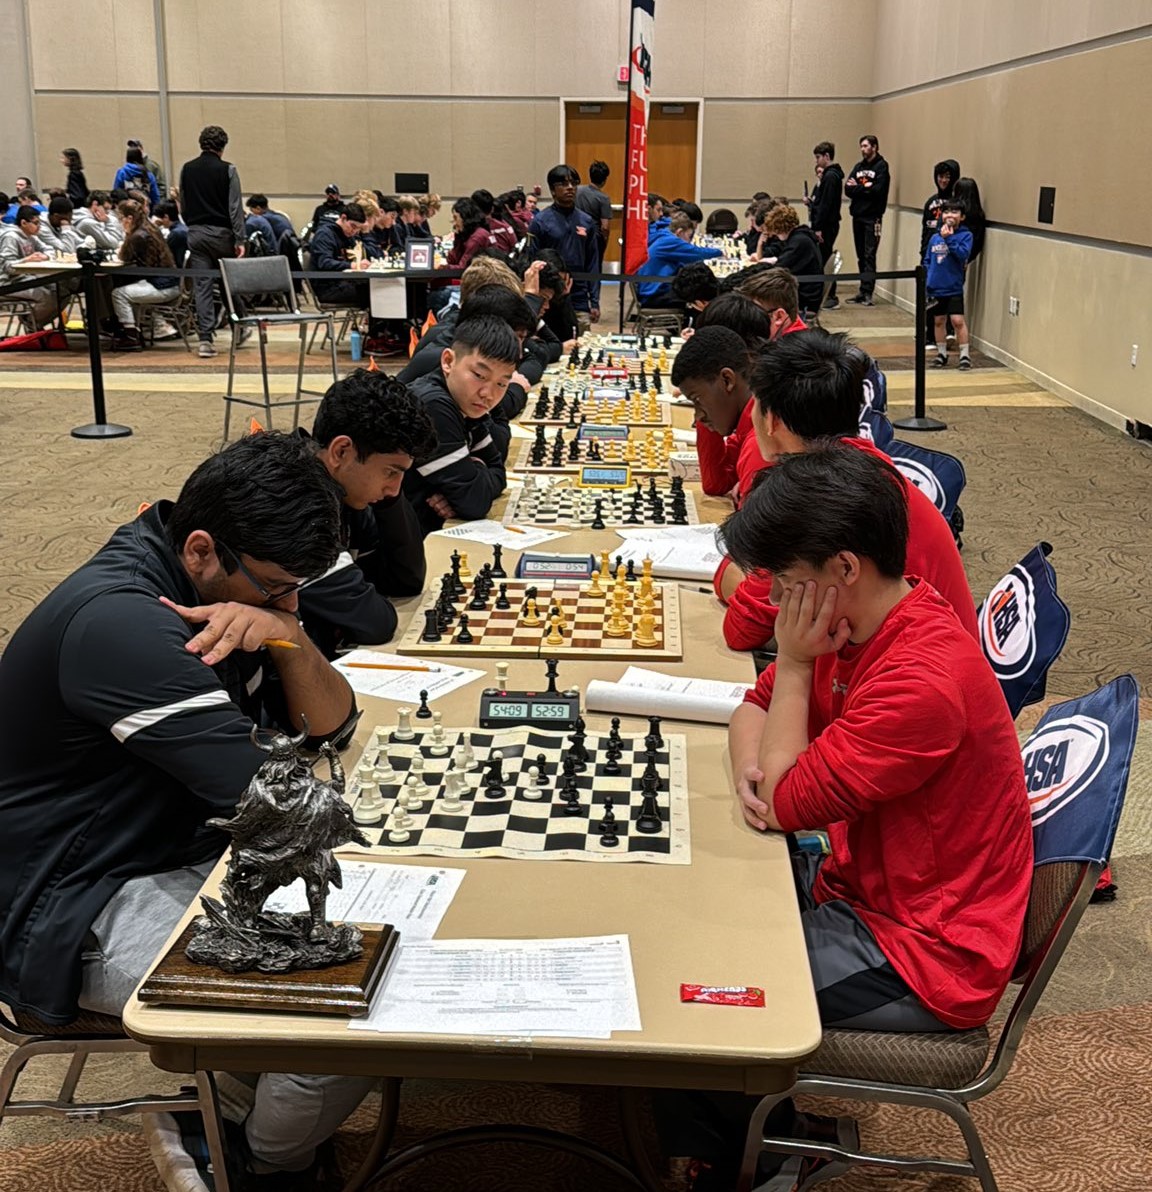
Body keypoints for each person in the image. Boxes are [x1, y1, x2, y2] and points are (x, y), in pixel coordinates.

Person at [0, 431, 381, 1187]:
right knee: (353, 1005)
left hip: (171, 854)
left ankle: (226, 1098)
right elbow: (285, 811)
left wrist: (289, 635)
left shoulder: (213, 586)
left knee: (371, 936)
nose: (289, 601)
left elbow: (333, 725)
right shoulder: (122, 625)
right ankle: (257, 1160)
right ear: (202, 549)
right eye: (276, 587)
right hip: (72, 906)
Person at [676, 443, 1031, 1191]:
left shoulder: (918, 679)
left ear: (842, 568)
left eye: (785, 579)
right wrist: (769, 761)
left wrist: (796, 681)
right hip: (863, 886)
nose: (772, 599)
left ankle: (765, 1159)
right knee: (686, 904)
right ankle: (750, 1130)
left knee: (694, 984)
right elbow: (756, 708)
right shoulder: (863, 618)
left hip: (929, 949)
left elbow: (781, 797)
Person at [720, 329, 979, 651]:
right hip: (935, 646)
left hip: (917, 660)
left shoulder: (814, 493)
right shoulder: (860, 464)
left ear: (770, 418)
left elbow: (742, 629)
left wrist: (731, 580)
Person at [298, 370, 437, 658]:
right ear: (341, 451)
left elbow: (404, 581)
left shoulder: (344, 489)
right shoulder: (295, 503)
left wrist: (387, 500)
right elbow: (375, 622)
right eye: (390, 472)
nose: (395, 488)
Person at [402, 316, 516, 535]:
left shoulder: (466, 403)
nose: (488, 394)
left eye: (501, 384)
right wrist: (477, 472)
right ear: (448, 361)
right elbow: (475, 502)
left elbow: (498, 468)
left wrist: (475, 473)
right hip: (400, 540)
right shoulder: (433, 405)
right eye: (479, 375)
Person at [671, 326, 765, 501]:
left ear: (727, 380)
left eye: (697, 399)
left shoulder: (760, 441)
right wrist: (708, 418)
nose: (697, 416)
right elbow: (716, 484)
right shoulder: (747, 422)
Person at [178, 125, 248, 358]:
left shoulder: (187, 169)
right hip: (222, 234)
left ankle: (205, 340)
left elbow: (184, 204)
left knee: (203, 287)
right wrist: (240, 238)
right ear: (223, 147)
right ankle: (241, 325)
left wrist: (192, 224)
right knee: (231, 283)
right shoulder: (228, 170)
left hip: (196, 234)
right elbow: (235, 207)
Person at [527, 164, 600, 330]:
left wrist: (594, 300)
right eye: (564, 184)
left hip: (579, 299)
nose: (570, 188)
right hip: (549, 300)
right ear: (553, 190)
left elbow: (593, 263)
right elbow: (531, 261)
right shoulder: (540, 222)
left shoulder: (587, 222)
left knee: (579, 346)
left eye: (573, 183)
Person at [109, 199, 181, 350]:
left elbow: (124, 257)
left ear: (129, 219)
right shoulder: (150, 228)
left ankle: (131, 337)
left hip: (162, 286)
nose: (120, 221)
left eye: (121, 218)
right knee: (125, 287)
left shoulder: (138, 236)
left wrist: (127, 234)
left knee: (119, 294)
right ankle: (135, 330)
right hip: (170, 281)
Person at [925, 200, 974, 370]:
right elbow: (927, 260)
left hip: (953, 286)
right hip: (935, 287)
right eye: (946, 212)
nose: (950, 215)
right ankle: (941, 353)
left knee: (957, 320)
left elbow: (962, 254)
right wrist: (926, 279)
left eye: (955, 212)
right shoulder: (934, 237)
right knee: (938, 320)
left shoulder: (966, 236)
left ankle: (965, 355)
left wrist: (949, 239)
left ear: (962, 216)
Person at [637, 211, 722, 307]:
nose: (689, 241)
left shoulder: (664, 236)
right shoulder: (671, 241)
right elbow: (696, 252)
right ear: (680, 232)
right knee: (696, 295)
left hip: (651, 288)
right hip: (654, 294)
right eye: (689, 236)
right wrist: (720, 252)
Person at [752, 205, 824, 318]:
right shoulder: (800, 237)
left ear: (779, 227)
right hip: (807, 291)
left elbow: (779, 268)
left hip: (805, 298)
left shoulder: (798, 241)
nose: (773, 234)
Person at [844, 134, 890, 305]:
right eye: (861, 146)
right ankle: (862, 290)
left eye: (865, 146)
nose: (863, 149)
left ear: (874, 147)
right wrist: (864, 188)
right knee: (860, 254)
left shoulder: (881, 167)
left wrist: (858, 188)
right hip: (857, 215)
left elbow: (878, 190)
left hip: (873, 217)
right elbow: (847, 189)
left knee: (870, 254)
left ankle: (869, 291)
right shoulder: (858, 167)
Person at [919, 160, 960, 347]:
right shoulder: (930, 203)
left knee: (950, 295)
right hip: (931, 254)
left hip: (950, 257)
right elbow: (924, 230)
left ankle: (949, 331)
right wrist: (923, 252)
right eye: (940, 176)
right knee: (930, 296)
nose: (943, 180)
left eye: (947, 177)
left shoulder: (956, 204)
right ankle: (929, 335)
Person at [0, 205, 63, 328]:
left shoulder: (32, 237)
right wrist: (25, 260)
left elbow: (50, 249)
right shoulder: (11, 237)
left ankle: (34, 322)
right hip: (7, 282)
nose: (39, 226)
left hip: (25, 279)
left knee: (60, 290)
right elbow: (6, 266)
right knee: (46, 296)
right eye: (36, 223)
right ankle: (30, 323)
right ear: (23, 223)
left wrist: (46, 256)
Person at [306, 201, 371, 305]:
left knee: (377, 287)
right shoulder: (325, 234)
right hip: (327, 288)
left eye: (358, 229)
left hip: (343, 282)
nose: (354, 231)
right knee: (375, 292)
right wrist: (352, 265)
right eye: (353, 226)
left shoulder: (348, 235)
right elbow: (325, 262)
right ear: (343, 218)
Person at [809, 142, 843, 309]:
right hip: (826, 224)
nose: (816, 162)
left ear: (827, 156)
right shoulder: (829, 176)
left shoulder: (830, 177)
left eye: (818, 157)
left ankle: (830, 295)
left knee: (824, 259)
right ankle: (828, 294)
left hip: (826, 226)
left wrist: (818, 227)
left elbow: (826, 205)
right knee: (823, 258)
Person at [575, 159, 613, 270]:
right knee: (594, 269)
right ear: (604, 180)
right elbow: (605, 227)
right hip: (593, 238)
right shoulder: (603, 198)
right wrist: (604, 243)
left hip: (575, 234)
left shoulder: (577, 190)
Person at [446, 197, 493, 273]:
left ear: (465, 217)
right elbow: (452, 260)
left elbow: (462, 268)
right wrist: (458, 237)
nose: (454, 223)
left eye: (455, 218)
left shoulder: (477, 237)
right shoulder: (471, 233)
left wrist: (444, 267)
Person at [153, 197, 188, 266]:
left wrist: (154, 228)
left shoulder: (176, 234)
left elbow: (162, 254)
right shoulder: (181, 229)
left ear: (166, 217)